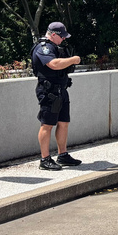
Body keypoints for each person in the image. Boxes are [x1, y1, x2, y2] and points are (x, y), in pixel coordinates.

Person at [31, 22, 82, 170]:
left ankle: (63, 155)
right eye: (62, 36)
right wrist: (74, 59)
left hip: (61, 89)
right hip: (48, 92)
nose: (64, 39)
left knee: (63, 122)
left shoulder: (56, 47)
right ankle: (45, 159)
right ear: (53, 34)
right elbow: (53, 64)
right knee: (47, 125)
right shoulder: (43, 48)